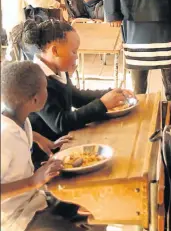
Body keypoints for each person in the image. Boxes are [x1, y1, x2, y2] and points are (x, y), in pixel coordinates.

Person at [1, 61, 107, 231]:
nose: (48, 93)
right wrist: (33, 180)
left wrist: (41, 139)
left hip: (33, 199)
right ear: (35, 100)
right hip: (14, 220)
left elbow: (23, 131)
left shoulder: (17, 117)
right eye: (45, 89)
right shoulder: (4, 137)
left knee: (98, 211)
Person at [10, 20, 134, 149]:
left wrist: (111, 92)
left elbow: (77, 97)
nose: (76, 57)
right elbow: (60, 123)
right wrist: (102, 104)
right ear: (55, 51)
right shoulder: (38, 81)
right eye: (73, 52)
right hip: (45, 153)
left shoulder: (58, 70)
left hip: (63, 140)